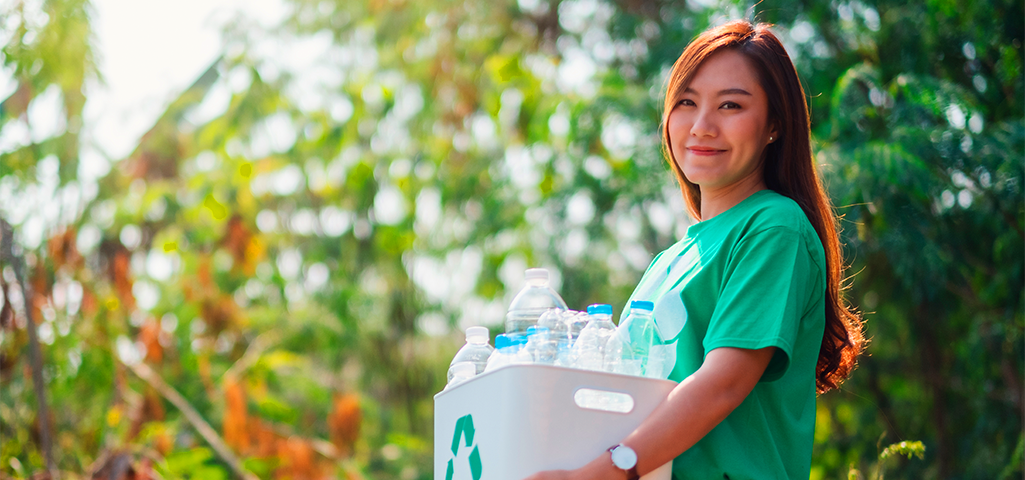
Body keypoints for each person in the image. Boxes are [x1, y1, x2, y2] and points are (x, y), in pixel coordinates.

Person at [524, 20, 866, 480]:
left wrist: (603, 473)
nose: (702, 127)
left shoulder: (774, 227)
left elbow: (723, 383)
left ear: (774, 126)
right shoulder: (667, 262)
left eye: (730, 105)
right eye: (686, 103)